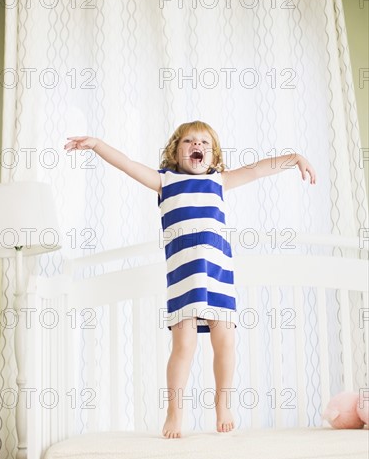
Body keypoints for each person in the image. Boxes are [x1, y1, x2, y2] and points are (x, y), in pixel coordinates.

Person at [64, 120, 316, 439]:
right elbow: (127, 164)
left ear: (213, 156)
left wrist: (294, 158)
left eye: (204, 143)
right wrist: (97, 144)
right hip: (184, 278)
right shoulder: (164, 182)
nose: (197, 145)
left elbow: (256, 170)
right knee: (184, 345)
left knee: (225, 342)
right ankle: (175, 410)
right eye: (189, 142)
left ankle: (222, 403)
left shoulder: (219, 182)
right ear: (175, 151)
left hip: (219, 277)